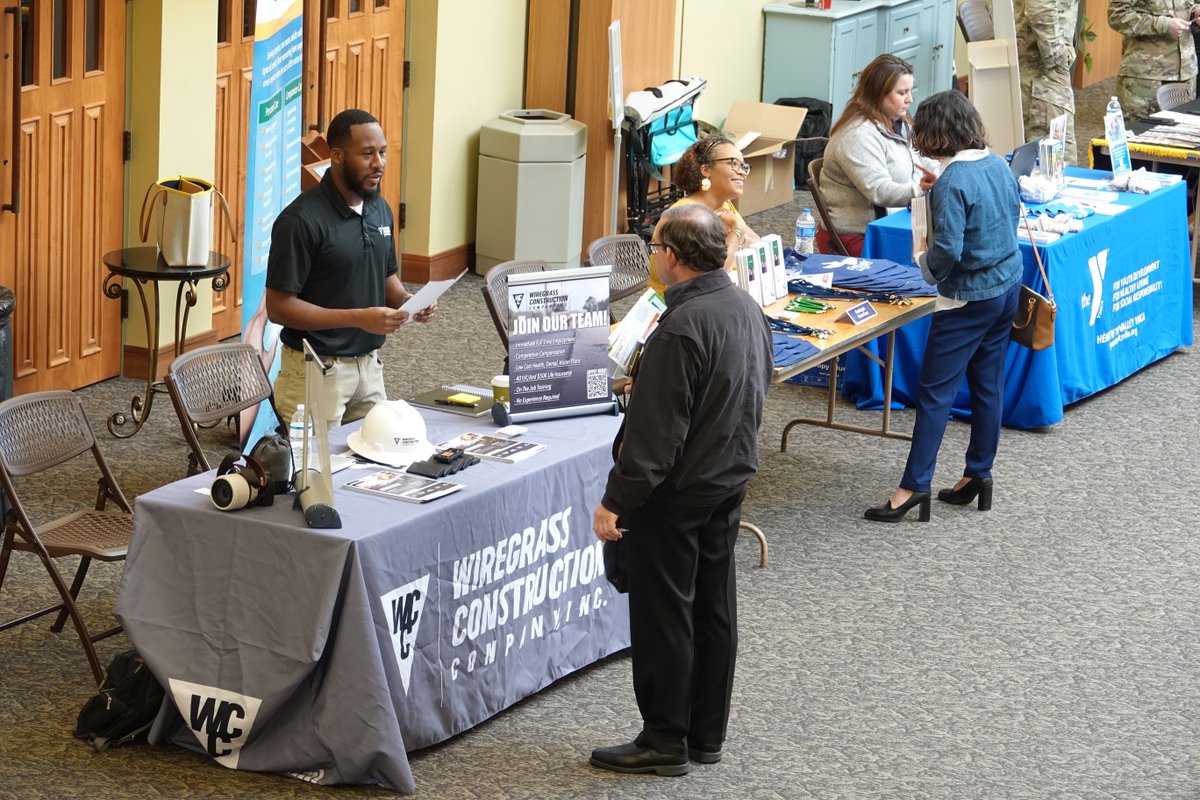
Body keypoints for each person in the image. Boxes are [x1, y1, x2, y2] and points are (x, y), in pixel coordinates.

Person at [590, 203, 773, 776]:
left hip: (676, 495)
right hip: (729, 478)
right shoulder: (744, 306)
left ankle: (664, 740)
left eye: (655, 247)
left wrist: (615, 501)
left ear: (670, 256)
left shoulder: (681, 327)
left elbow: (653, 438)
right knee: (715, 608)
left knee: (665, 615)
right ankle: (704, 735)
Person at [864, 90, 1022, 523]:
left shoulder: (952, 182)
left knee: (935, 394)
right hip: (1006, 289)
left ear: (934, 136)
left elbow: (946, 253)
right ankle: (978, 473)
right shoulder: (996, 163)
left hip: (967, 298)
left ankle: (914, 486)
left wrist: (923, 264)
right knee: (988, 386)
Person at [266, 108, 436, 428]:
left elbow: (387, 280)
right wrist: (359, 317)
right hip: (315, 372)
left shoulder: (379, 209)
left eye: (383, 152)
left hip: (369, 370)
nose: (379, 163)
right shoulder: (301, 221)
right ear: (337, 156)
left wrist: (409, 302)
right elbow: (278, 307)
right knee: (315, 475)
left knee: (375, 466)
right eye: (368, 154)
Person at [819, 54, 937, 256]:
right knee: (940, 260)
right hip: (862, 236)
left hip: (898, 222)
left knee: (951, 247)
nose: (910, 99)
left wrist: (939, 174)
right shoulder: (858, 136)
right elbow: (879, 191)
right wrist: (921, 189)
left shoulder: (898, 122)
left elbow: (922, 159)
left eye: (909, 91)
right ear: (878, 94)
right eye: (902, 93)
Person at [647, 136, 760, 296]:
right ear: (706, 170)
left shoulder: (725, 205)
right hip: (675, 309)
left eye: (743, 166)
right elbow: (711, 278)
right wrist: (737, 232)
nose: (742, 172)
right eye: (733, 163)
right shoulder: (686, 216)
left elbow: (759, 245)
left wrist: (737, 236)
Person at [1108, 0, 1199, 119]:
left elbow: (1192, 4)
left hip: (1186, 73)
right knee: (1137, 134)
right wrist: (1163, 25)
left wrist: (1196, 12)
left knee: (1181, 133)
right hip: (1146, 77)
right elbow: (1117, 16)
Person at [1015, 0, 1080, 164]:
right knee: (1058, 165)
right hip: (1044, 78)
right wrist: (1059, 60)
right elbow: (1040, 8)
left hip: (1041, 76)